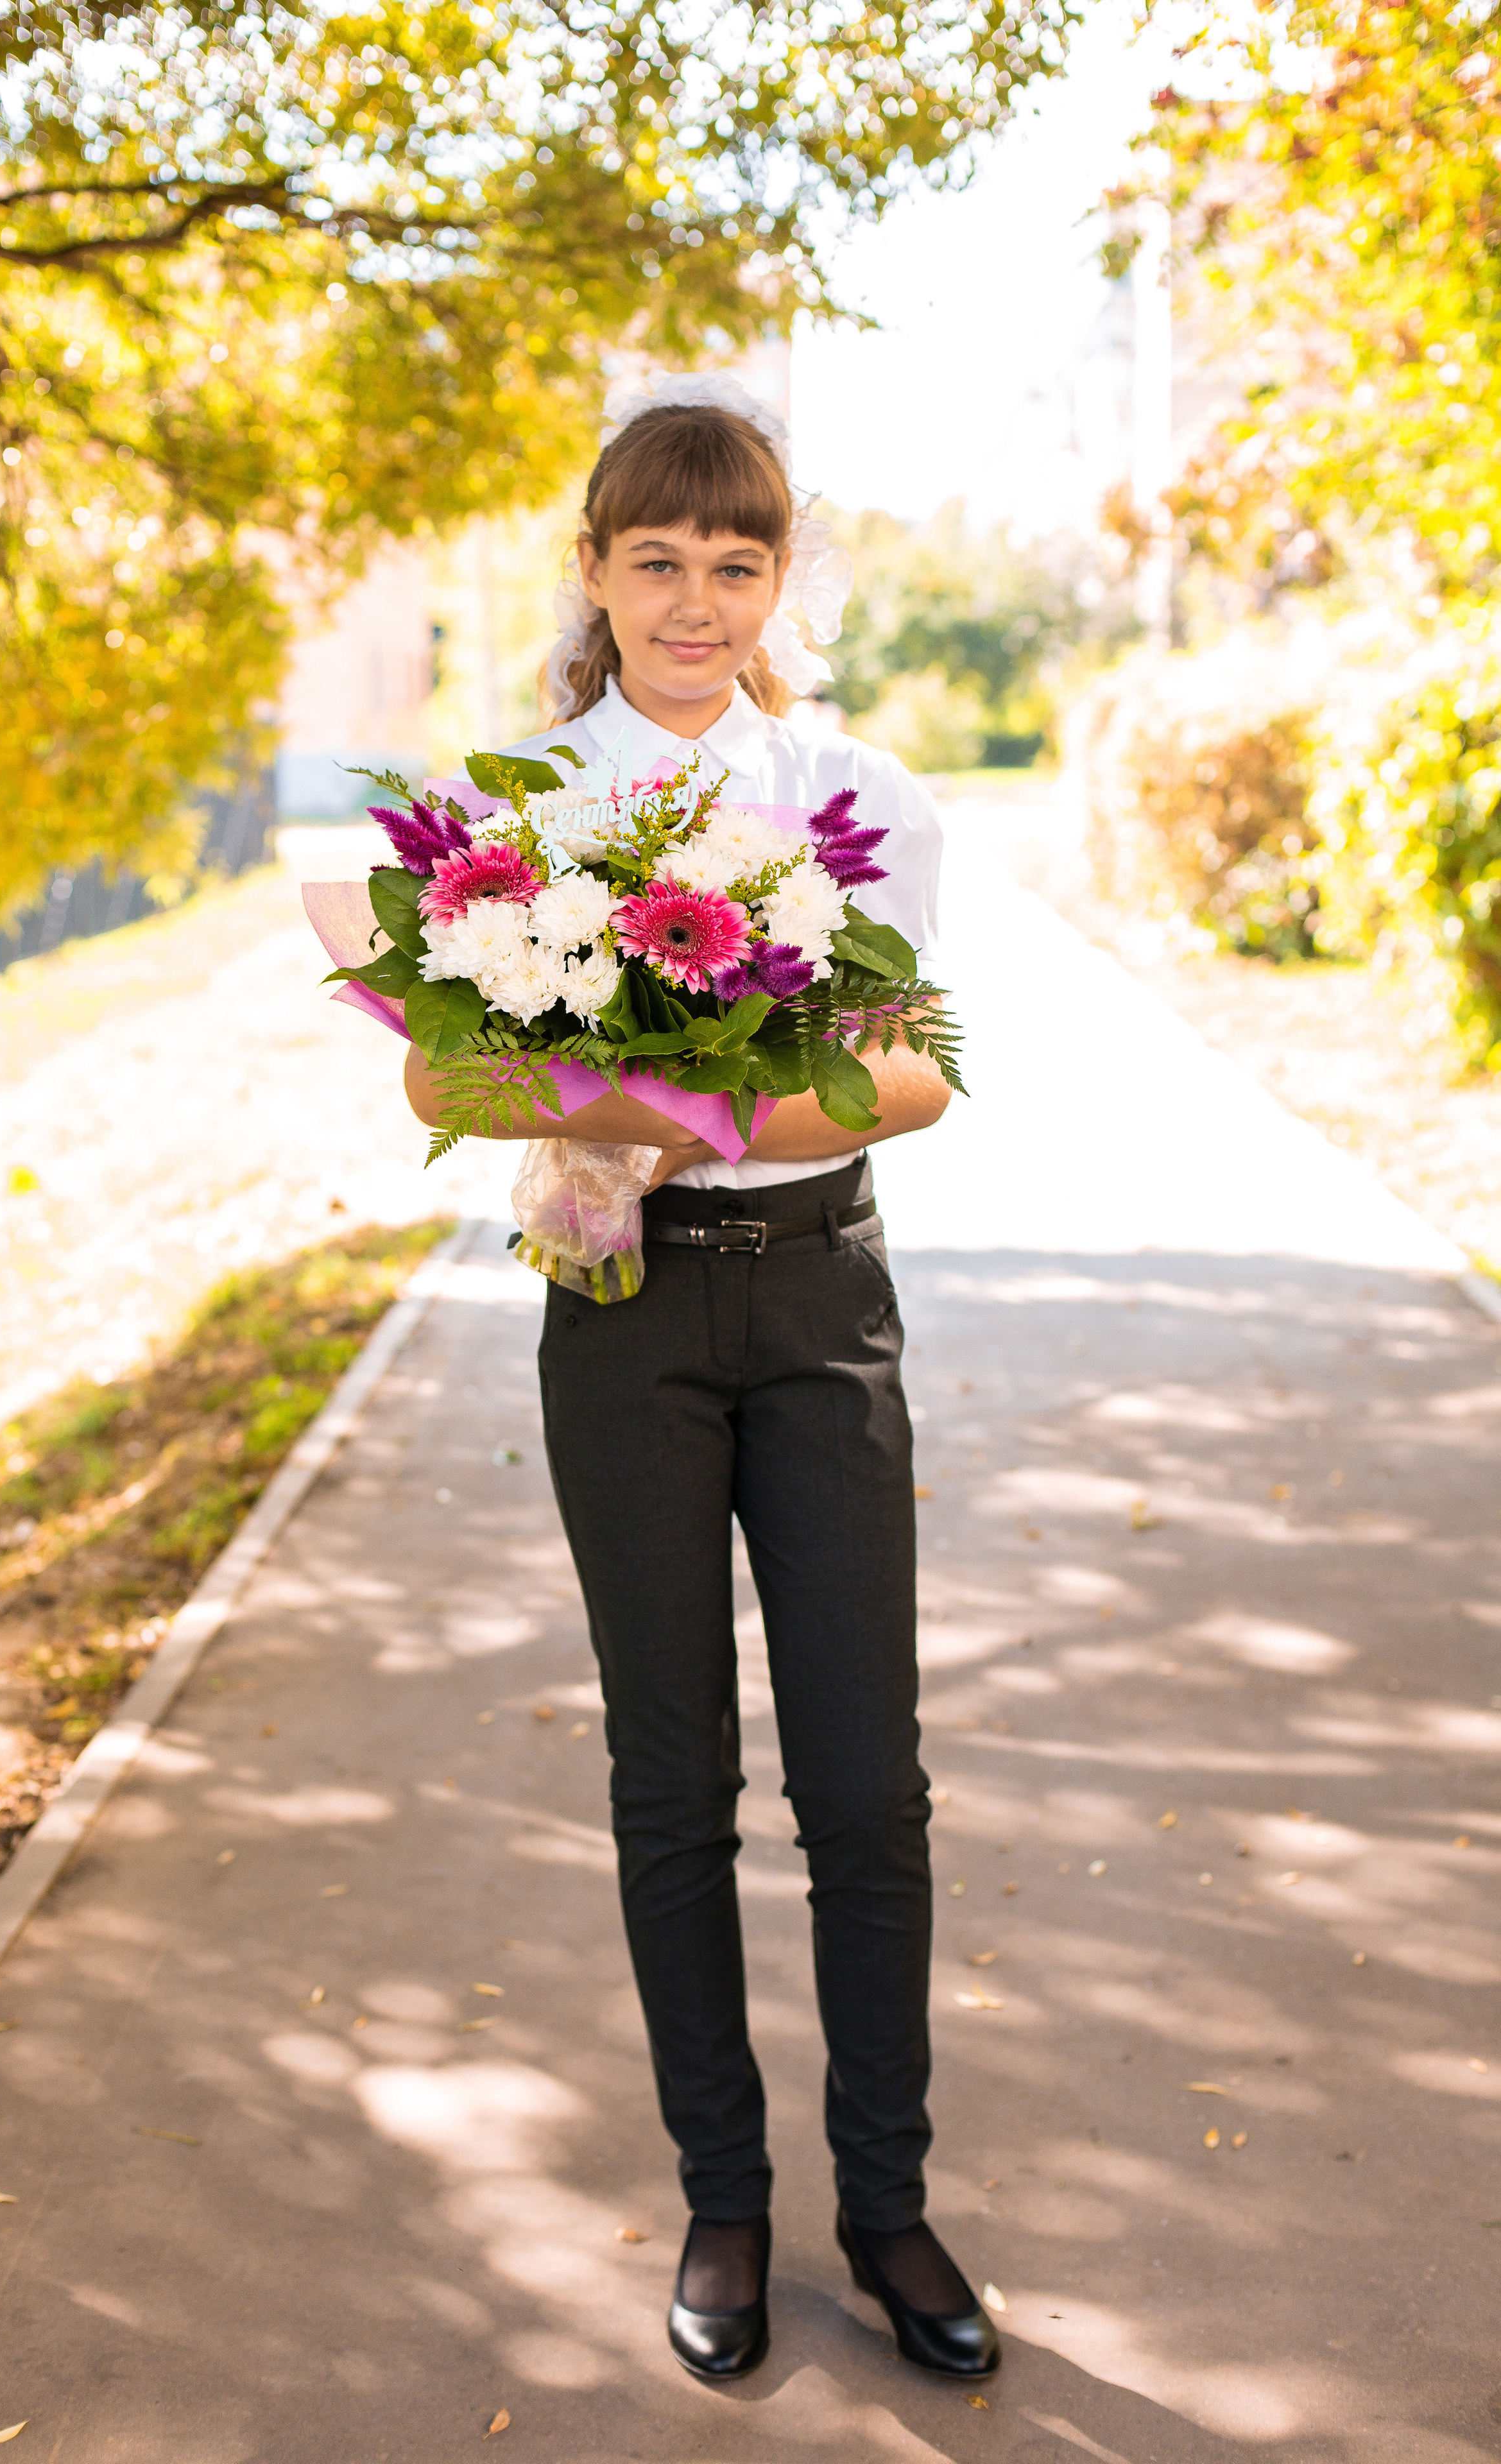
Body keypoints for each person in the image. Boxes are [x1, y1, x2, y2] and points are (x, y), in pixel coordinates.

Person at [405, 373, 999, 2388]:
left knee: (866, 1787)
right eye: (654, 558)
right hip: (626, 1323)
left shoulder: (858, 799)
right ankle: (726, 2202)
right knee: (672, 1786)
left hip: (824, 1311)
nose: (692, 598)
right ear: (595, 570)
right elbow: (440, 1071)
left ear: (776, 579)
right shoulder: (521, 805)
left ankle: (891, 2203)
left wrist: (709, 1109)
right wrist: (621, 1103)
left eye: (731, 561)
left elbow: (911, 1072)